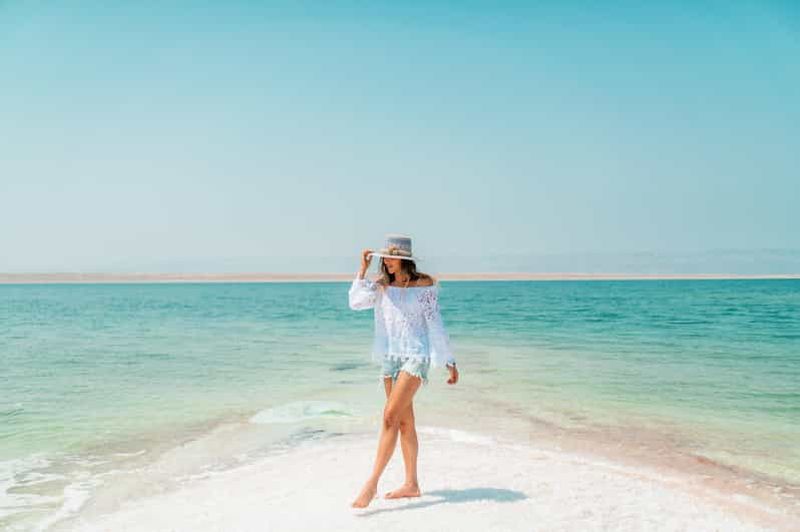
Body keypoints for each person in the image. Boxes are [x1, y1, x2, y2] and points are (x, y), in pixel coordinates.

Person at [348, 234, 459, 509]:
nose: (386, 262)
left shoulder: (424, 286)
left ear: (404, 260)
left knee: (388, 417)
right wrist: (362, 270)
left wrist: (448, 359)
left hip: (416, 355)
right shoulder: (381, 286)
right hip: (390, 358)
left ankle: (371, 484)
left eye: (391, 257)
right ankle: (412, 484)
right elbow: (356, 302)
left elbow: (435, 324)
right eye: (384, 257)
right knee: (404, 422)